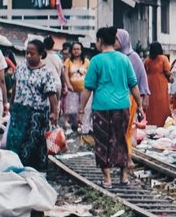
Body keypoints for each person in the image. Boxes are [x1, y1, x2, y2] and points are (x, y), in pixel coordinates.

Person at [79, 26, 142, 187]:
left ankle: (107, 179)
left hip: (101, 107)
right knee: (121, 138)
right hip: (122, 106)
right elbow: (134, 85)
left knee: (102, 141)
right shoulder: (124, 59)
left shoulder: (96, 61)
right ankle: (123, 176)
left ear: (100, 41)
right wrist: (140, 105)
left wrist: (81, 109)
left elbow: (88, 88)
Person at [7, 39, 59, 171]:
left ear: (41, 54)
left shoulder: (46, 72)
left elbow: (51, 94)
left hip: (37, 113)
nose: (29, 56)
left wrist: (54, 112)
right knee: (15, 140)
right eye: (27, 53)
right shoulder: (20, 68)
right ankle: (16, 168)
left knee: (35, 142)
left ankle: (35, 170)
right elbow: (15, 86)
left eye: (32, 54)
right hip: (19, 111)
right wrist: (11, 104)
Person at [115, 29, 150, 153]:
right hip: (116, 97)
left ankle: (126, 154)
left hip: (130, 97)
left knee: (126, 127)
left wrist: (144, 96)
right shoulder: (115, 56)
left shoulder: (133, 57)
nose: (114, 42)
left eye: (116, 39)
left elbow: (142, 77)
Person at [63, 41, 91, 130]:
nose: (76, 51)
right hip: (72, 89)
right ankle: (73, 126)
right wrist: (68, 84)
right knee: (72, 109)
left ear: (81, 50)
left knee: (85, 108)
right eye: (74, 49)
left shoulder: (86, 61)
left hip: (84, 90)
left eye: (78, 49)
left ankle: (83, 126)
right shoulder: (68, 61)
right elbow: (65, 74)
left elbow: (90, 75)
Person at [144, 42, 172, 126]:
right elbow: (167, 71)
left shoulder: (147, 59)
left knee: (152, 105)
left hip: (149, 83)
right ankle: (163, 124)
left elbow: (144, 71)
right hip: (160, 84)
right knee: (162, 104)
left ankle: (151, 124)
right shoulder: (163, 58)